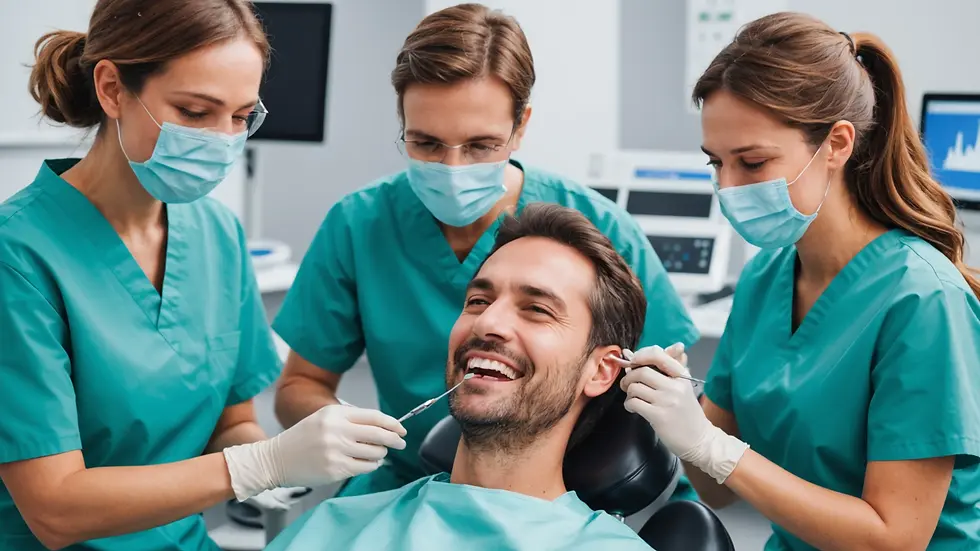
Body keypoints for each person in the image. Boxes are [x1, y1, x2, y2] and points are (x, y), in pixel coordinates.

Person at [0, 2, 407, 550]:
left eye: (241, 117)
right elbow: (55, 508)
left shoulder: (217, 232)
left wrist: (281, 465)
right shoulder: (18, 254)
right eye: (195, 112)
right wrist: (256, 465)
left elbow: (230, 420)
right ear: (112, 88)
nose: (222, 140)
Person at [272, 2, 699, 501]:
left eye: (480, 146)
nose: (452, 166)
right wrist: (340, 429)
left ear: (520, 127)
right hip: (414, 485)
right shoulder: (360, 224)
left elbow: (673, 392)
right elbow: (299, 384)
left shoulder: (598, 228)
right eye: (425, 143)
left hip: (568, 497)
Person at [619, 12, 980, 551]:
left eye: (753, 161)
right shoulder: (766, 276)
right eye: (716, 163)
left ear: (836, 144)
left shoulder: (923, 298)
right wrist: (678, 419)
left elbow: (894, 538)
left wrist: (714, 447)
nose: (728, 187)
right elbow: (716, 494)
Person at [266, 203, 654, 550]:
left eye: (536, 308)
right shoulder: (338, 528)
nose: (487, 322)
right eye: (478, 301)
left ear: (601, 371)